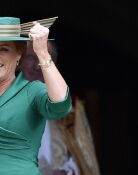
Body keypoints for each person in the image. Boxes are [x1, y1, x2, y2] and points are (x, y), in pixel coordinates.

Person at [0, 16, 72, 175]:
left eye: (4, 49)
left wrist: (43, 53)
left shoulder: (32, 91)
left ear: (19, 54)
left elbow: (61, 104)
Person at [20, 40, 101, 175]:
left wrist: (67, 172)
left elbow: (84, 161)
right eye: (30, 58)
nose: (37, 66)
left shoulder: (70, 108)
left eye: (44, 59)